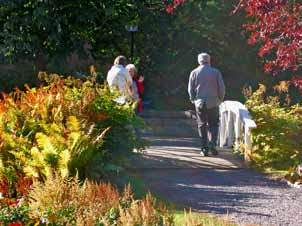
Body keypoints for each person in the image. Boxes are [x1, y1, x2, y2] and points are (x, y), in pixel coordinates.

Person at [188, 53, 225, 156]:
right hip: (213, 102)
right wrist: (220, 99)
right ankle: (212, 145)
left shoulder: (194, 72)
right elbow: (222, 88)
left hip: (200, 103)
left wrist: (193, 99)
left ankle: (204, 149)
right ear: (209, 60)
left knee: (202, 125)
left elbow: (190, 89)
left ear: (199, 61)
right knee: (214, 125)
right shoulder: (216, 72)